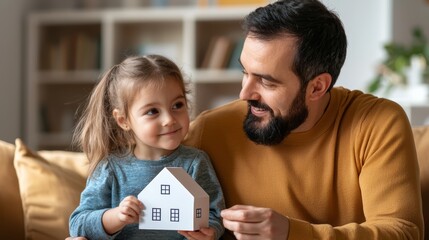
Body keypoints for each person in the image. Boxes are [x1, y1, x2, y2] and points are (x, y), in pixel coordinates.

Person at [183, 0, 424, 239]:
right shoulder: (208, 131)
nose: (244, 93)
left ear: (317, 87)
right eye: (245, 72)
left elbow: (402, 232)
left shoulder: (377, 124)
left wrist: (291, 233)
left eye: (266, 81)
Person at [68, 55, 225, 240]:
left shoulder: (195, 162)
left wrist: (211, 233)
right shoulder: (111, 167)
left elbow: (215, 214)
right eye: (152, 111)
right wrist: (117, 217)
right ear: (123, 120)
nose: (169, 120)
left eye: (177, 105)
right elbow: (78, 224)